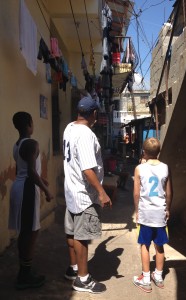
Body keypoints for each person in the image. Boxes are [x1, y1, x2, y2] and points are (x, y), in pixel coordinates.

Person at [63, 96, 112, 293]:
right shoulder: (85, 134)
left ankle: (74, 268)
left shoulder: (70, 127)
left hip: (71, 190)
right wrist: (102, 192)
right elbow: (87, 169)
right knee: (82, 236)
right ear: (93, 114)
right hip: (84, 195)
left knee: (72, 232)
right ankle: (82, 279)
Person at [8, 112, 53, 290]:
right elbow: (31, 173)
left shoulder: (17, 144)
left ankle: (24, 271)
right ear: (29, 124)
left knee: (25, 231)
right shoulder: (31, 143)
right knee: (31, 232)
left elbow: (24, 169)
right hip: (27, 189)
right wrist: (47, 190)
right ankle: (25, 275)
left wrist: (42, 180)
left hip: (20, 186)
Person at [132, 137, 173, 293]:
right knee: (159, 245)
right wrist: (167, 208)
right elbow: (169, 192)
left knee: (144, 244)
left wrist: (137, 211)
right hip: (160, 213)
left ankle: (146, 278)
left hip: (146, 213)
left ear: (144, 152)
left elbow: (136, 194)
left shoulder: (139, 169)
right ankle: (159, 276)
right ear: (159, 152)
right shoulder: (165, 168)